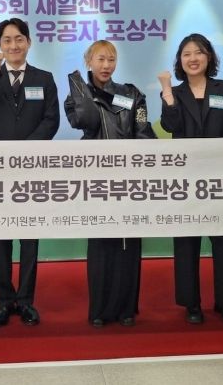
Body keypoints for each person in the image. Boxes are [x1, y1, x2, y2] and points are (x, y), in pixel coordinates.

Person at [0, 17, 59, 327]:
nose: (13, 45)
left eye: (19, 39)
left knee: (30, 237)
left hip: (31, 169)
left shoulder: (43, 78)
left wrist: (26, 151)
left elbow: (51, 121)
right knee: (1, 236)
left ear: (29, 42)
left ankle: (26, 300)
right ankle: (5, 301)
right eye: (7, 40)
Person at [64, 40, 155, 327]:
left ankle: (127, 309)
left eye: (111, 59)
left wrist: (134, 165)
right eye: (100, 59)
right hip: (96, 181)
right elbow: (85, 120)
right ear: (89, 61)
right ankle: (100, 310)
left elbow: (144, 131)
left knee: (129, 243)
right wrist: (80, 86)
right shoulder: (77, 95)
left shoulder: (132, 93)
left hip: (128, 179)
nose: (106, 65)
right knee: (102, 243)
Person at [158, 33, 223, 325]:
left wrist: (216, 156)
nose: (193, 58)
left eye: (198, 52)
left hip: (221, 176)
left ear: (209, 57)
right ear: (180, 61)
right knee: (186, 242)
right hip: (186, 179)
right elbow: (170, 126)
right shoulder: (174, 92)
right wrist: (167, 92)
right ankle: (191, 303)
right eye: (186, 54)